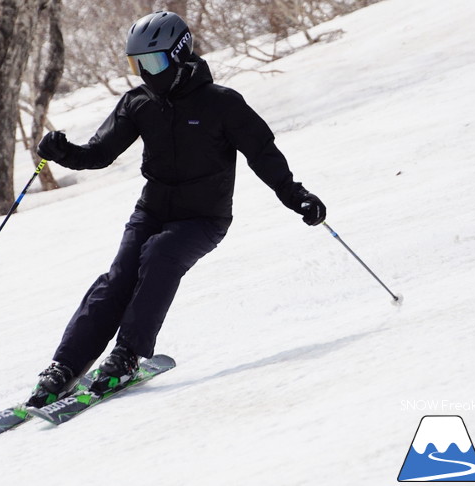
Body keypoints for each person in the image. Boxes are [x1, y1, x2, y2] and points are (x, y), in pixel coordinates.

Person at [26, 11, 326, 407]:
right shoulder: (139, 103)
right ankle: (64, 366)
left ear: (179, 54)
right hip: (151, 212)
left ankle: (127, 355)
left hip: (204, 219)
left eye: (153, 62)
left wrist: (296, 196)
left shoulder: (222, 104)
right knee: (117, 280)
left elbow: (262, 154)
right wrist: (63, 152)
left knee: (160, 255)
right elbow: (99, 154)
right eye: (138, 65)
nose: (146, 73)